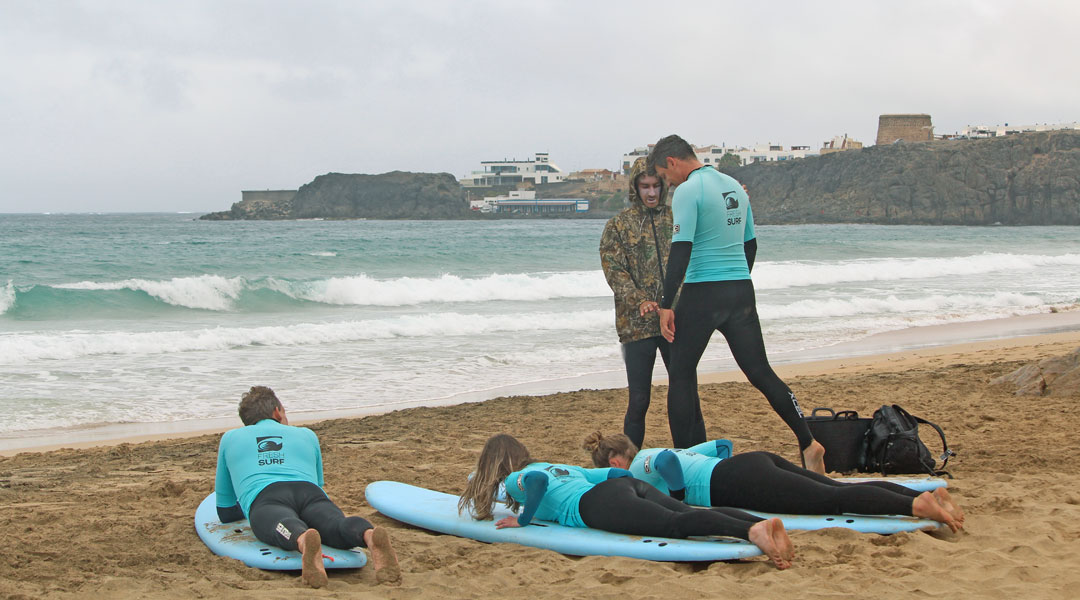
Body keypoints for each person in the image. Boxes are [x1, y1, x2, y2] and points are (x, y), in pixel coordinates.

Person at [646, 134, 827, 474]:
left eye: (664, 175)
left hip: (702, 293)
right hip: (741, 290)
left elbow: (681, 250)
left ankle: (688, 462)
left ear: (672, 162)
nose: (667, 183)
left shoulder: (688, 191)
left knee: (682, 375)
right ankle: (808, 441)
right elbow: (751, 245)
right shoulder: (734, 187)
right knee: (760, 372)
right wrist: (735, 284)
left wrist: (667, 304)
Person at [457, 433, 795, 569]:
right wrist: (634, 490)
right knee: (685, 513)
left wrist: (523, 519)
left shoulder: (518, 478)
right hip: (625, 487)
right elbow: (614, 476)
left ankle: (752, 533)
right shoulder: (560, 465)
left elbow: (536, 483)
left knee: (675, 526)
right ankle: (754, 523)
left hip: (595, 506)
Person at [583, 431, 964, 533]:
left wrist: (684, 501)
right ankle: (926, 495)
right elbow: (721, 445)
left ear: (616, 461)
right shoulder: (659, 447)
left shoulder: (638, 466)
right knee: (835, 490)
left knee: (829, 502)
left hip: (739, 482)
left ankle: (914, 506)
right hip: (752, 464)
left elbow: (666, 462)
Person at [215, 386, 400, 588]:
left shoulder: (230, 438)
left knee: (281, 523)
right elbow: (318, 485)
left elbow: (225, 511)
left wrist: (248, 508)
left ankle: (303, 540)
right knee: (335, 523)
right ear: (277, 411)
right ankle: (369, 536)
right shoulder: (307, 435)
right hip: (310, 492)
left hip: (266, 497)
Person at [598, 157, 676, 448]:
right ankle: (628, 464)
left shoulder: (677, 218)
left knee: (684, 392)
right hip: (636, 325)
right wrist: (640, 299)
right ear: (635, 187)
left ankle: (693, 457)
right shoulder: (618, 225)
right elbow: (614, 270)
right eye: (645, 186)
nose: (652, 193)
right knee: (639, 398)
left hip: (675, 320)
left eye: (656, 185)